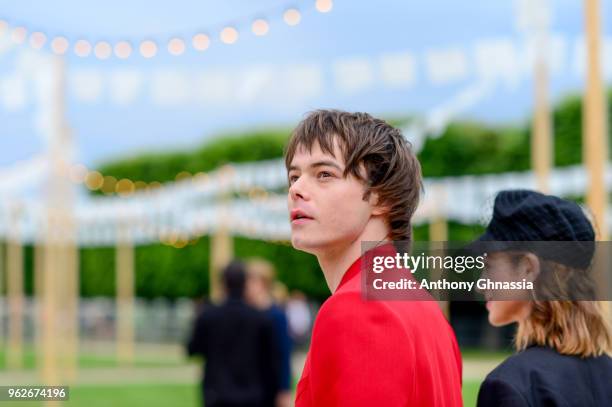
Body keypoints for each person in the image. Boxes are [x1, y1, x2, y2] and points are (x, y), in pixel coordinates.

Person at [285, 109, 463, 406]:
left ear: (381, 197)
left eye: (324, 174)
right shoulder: (427, 310)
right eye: (294, 176)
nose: (296, 189)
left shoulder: (356, 308)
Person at [473, 190, 612, 407]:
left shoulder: (509, 385)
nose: (481, 284)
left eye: (489, 266)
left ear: (528, 268)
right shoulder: (607, 372)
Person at [186, 260, 280, 407]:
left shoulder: (208, 315)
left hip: (216, 394)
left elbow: (192, 349)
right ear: (245, 283)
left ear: (223, 283)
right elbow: (272, 361)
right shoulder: (261, 318)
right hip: (252, 395)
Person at [246, 258, 293, 407]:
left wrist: (284, 389)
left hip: (269, 383)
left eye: (251, 281)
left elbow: (284, 353)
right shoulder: (246, 313)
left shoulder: (276, 315)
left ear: (263, 284)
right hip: (247, 385)